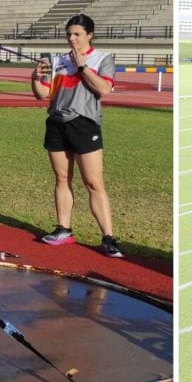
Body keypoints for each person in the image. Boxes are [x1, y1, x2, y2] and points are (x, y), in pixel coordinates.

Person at [31, 14, 123, 258]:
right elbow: (42, 95)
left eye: (77, 34)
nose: (71, 38)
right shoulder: (58, 61)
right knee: (62, 178)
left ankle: (108, 239)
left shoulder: (102, 58)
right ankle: (63, 230)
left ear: (89, 35)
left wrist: (82, 65)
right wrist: (35, 77)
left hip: (84, 124)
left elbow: (104, 89)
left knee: (93, 183)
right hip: (56, 122)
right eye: (69, 34)